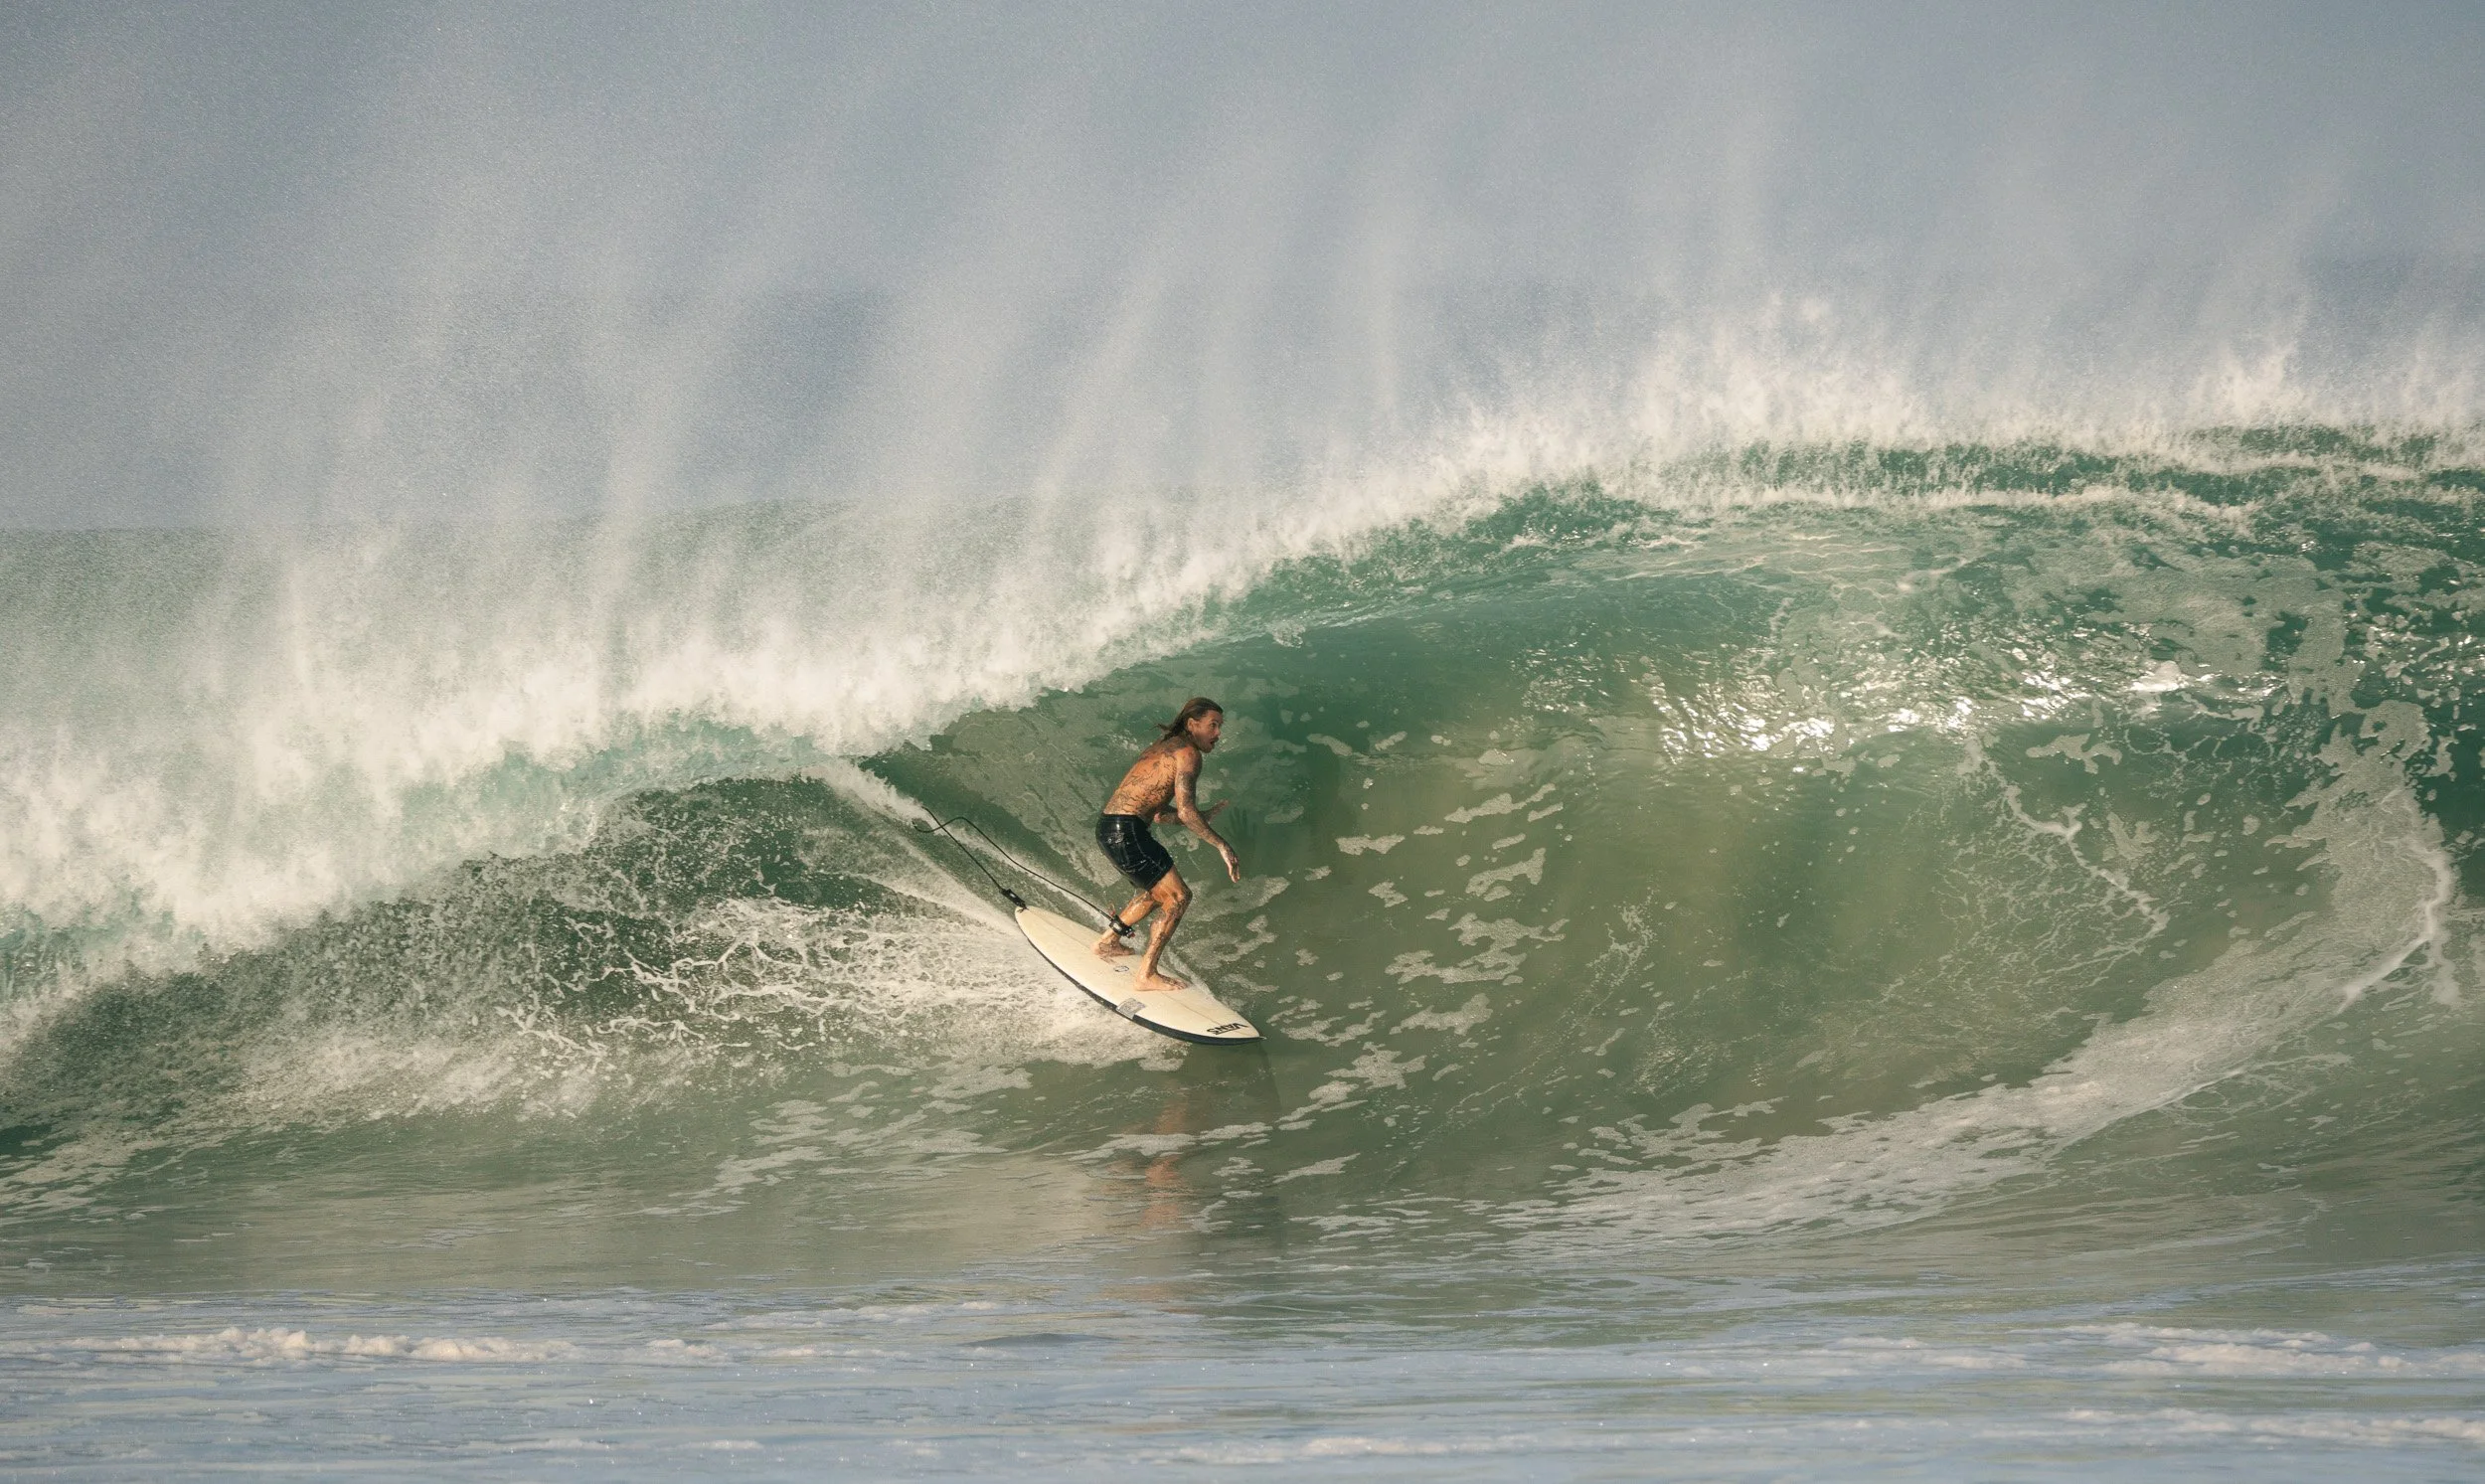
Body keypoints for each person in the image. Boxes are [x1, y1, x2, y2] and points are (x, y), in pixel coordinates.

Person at [1092, 696, 1241, 991]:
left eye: (1220, 727)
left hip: (1110, 826)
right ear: (1192, 724)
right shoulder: (1188, 754)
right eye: (1213, 726)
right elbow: (1185, 811)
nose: (1218, 734)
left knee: (1154, 892)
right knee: (1178, 897)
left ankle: (1107, 943)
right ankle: (1146, 974)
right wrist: (1222, 845)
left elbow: (1160, 815)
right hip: (1127, 831)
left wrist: (1202, 816)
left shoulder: (1162, 748)